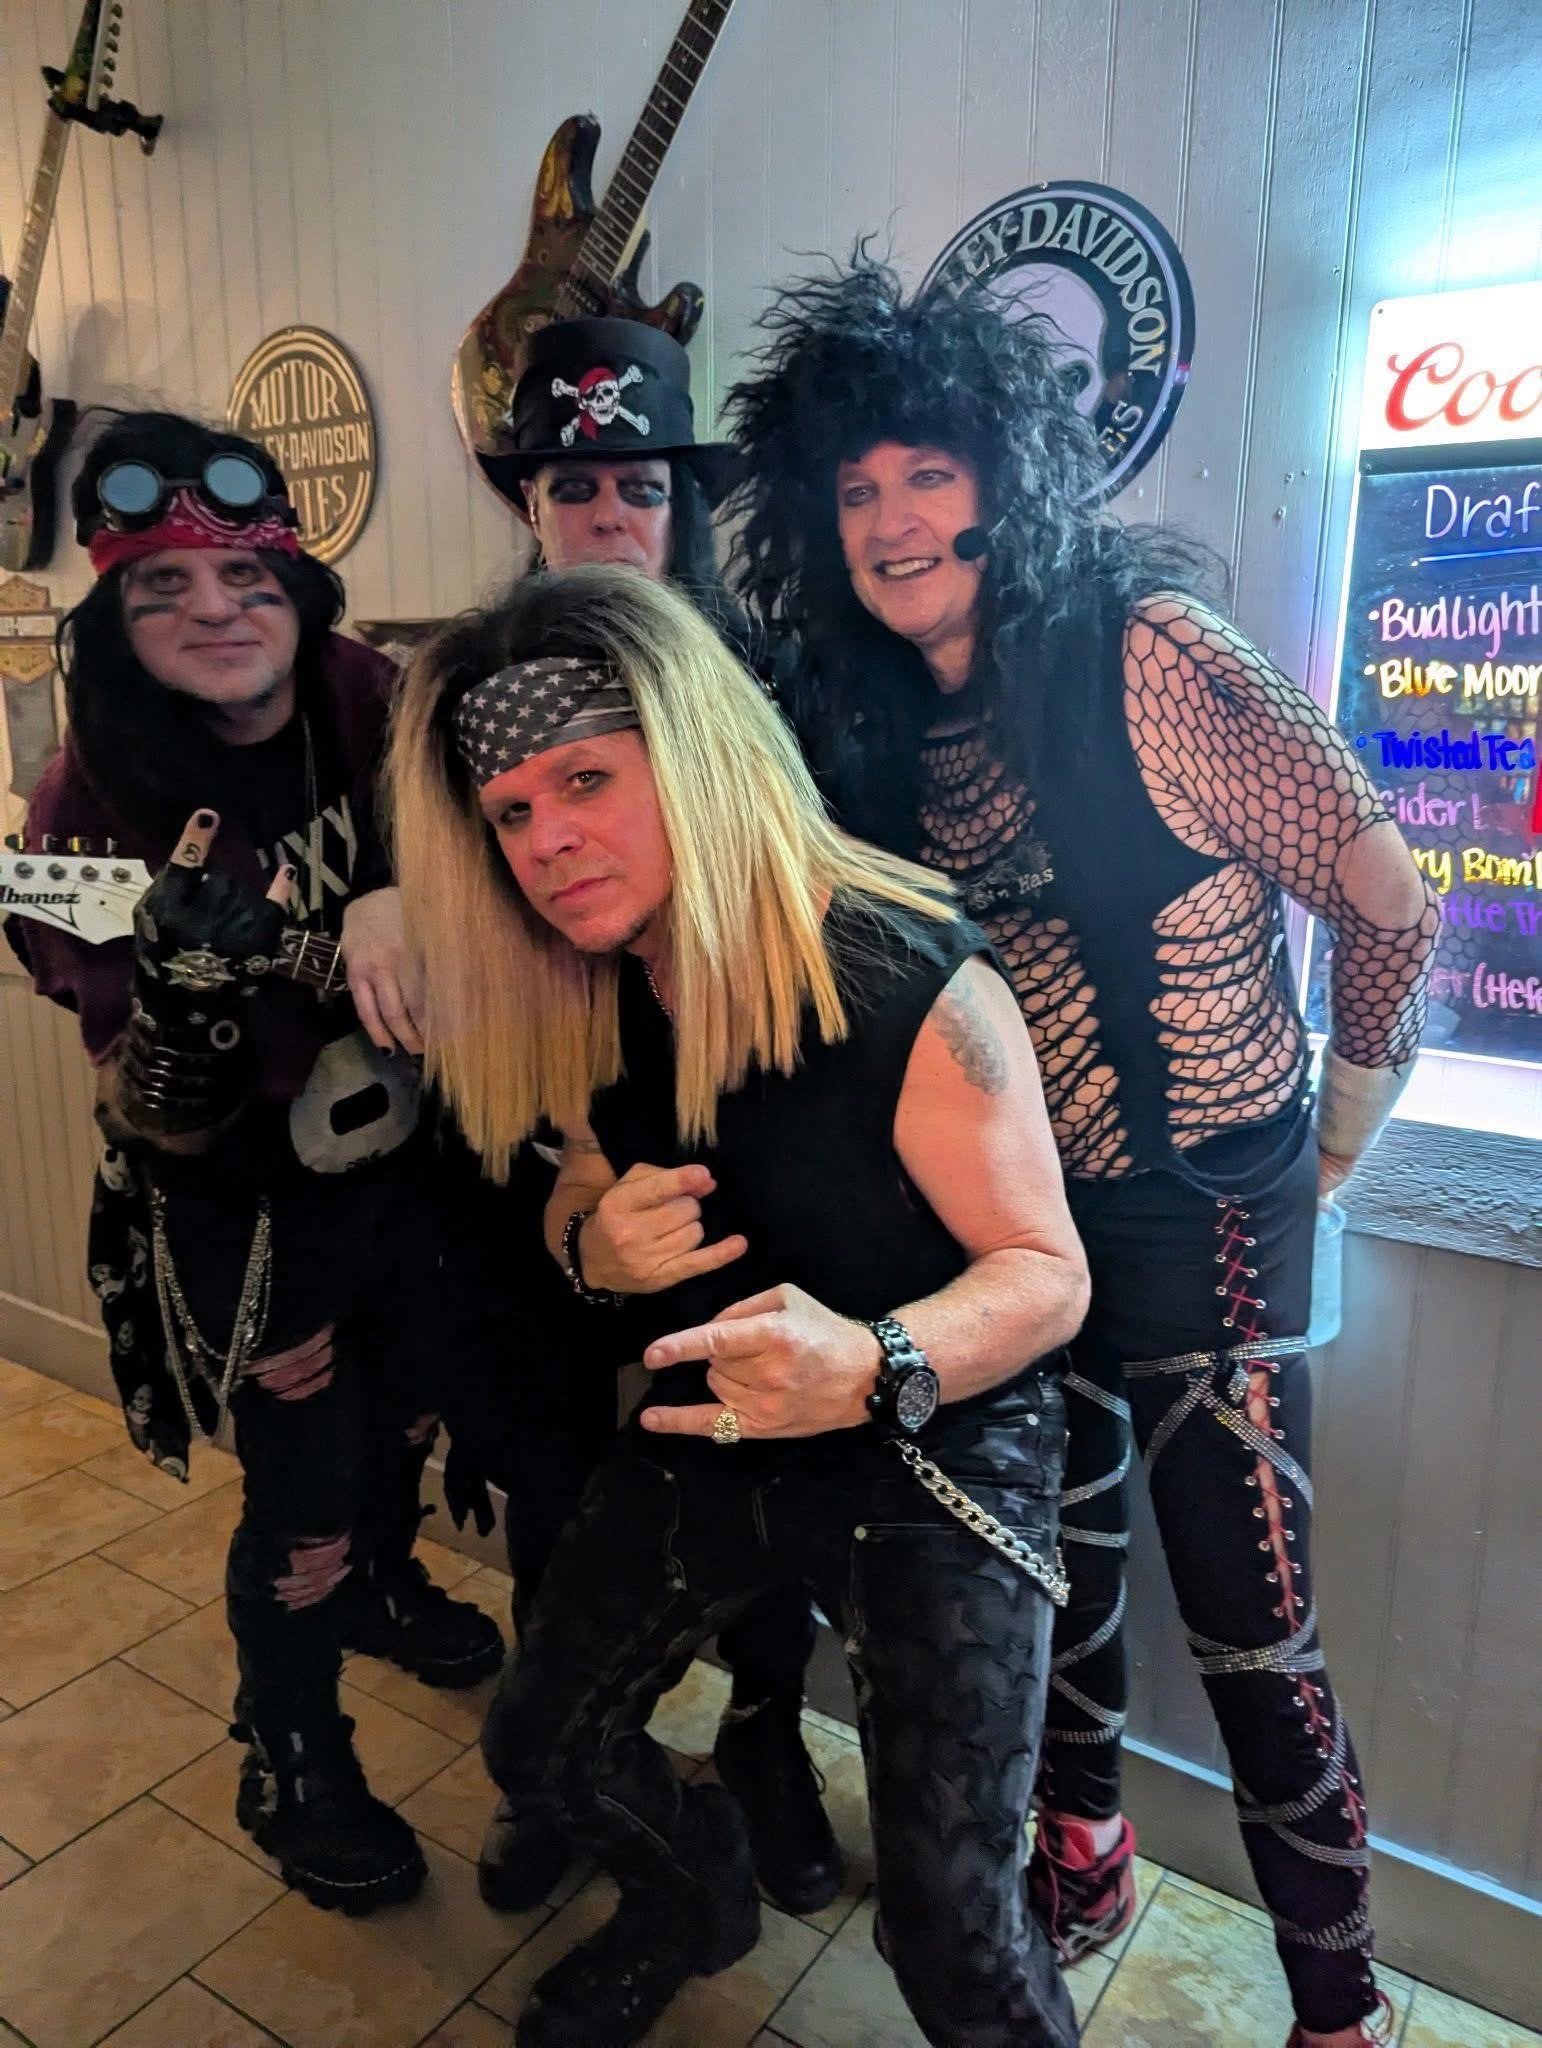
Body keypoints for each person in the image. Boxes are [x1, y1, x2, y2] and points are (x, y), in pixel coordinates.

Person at [722, 256, 1441, 2048]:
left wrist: (1336, 1132)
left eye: (927, 473)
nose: (892, 520)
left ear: (1007, 475)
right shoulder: (869, 714)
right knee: (1058, 1571)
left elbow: (1385, 896)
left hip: (1208, 1215)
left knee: (1252, 1629)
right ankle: (1089, 1851)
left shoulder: (1152, 650)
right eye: (855, 488)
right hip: (1009, 1229)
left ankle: (1337, 2010)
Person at [387, 563, 1090, 2047]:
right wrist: (591, 1251)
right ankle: (686, 1899)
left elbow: (1046, 1275)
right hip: (713, 1425)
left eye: (585, 780)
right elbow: (581, 1186)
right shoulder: (587, 977)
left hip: (936, 1439)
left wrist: (875, 1360)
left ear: (696, 755)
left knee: (949, 1930)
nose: (547, 840)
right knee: (541, 1747)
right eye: (510, 813)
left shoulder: (904, 972)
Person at [3, 411, 503, 1915]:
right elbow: (143, 1098)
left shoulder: (372, 696)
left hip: (414, 1150)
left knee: (413, 1409)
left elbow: (491, 845)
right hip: (247, 1196)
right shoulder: (85, 799)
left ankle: (384, 1583)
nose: (214, 610)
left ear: (298, 588)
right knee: (303, 1483)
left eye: (245, 577)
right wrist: (183, 995)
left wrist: (395, 889)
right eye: (163, 588)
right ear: (117, 615)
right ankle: (288, 1748)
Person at [455, 317, 843, 1919]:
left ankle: (763, 1738)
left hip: (748, 1140)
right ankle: (571, 1762)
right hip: (556, 1140)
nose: (606, 514)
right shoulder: (478, 695)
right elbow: (453, 880)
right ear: (529, 505)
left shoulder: (775, 686)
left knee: (763, 1454)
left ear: (681, 503)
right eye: (572, 485)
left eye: (636, 484)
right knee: (555, 1467)